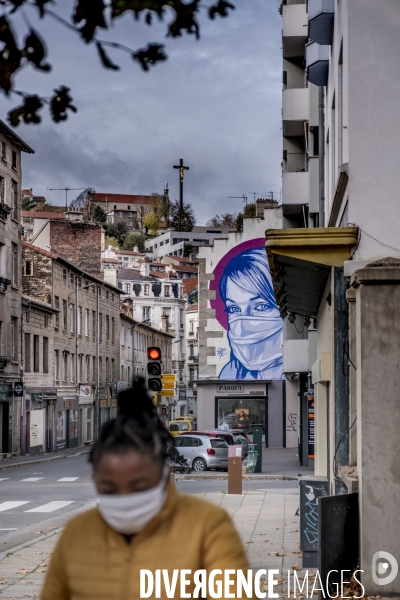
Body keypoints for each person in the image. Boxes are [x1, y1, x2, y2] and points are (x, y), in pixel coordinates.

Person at [41, 378, 250, 600]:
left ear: (163, 475)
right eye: (109, 488)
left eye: (139, 486)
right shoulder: (76, 534)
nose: (124, 497)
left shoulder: (207, 526)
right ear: (95, 479)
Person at [219, 247, 283, 380]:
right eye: (233, 309)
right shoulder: (230, 373)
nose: (244, 324)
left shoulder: (300, 373)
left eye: (261, 306)